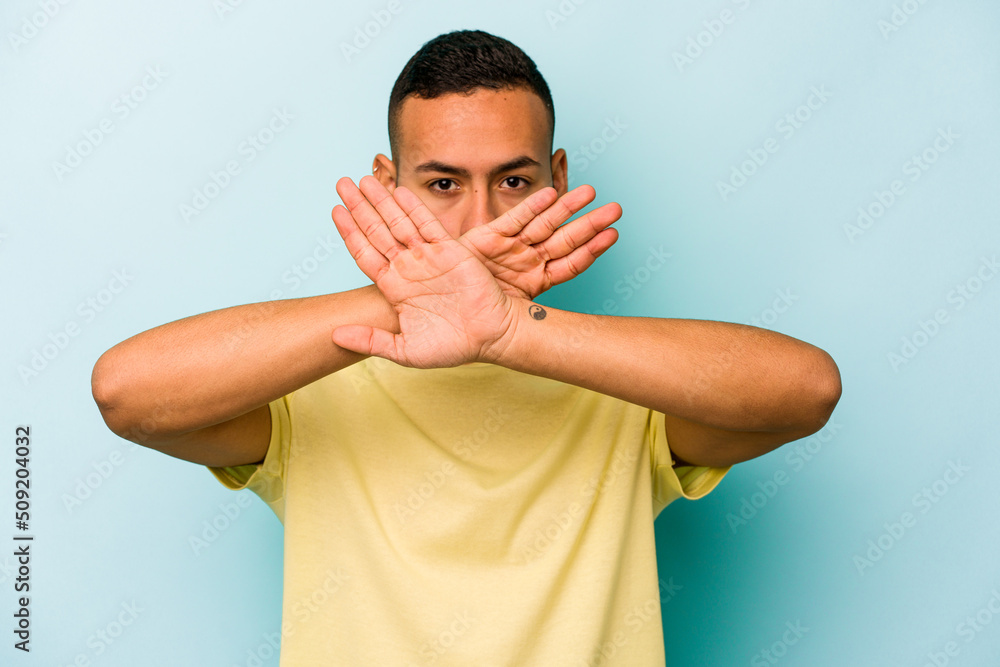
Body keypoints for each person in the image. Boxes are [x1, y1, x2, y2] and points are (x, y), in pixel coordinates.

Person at [91, 29, 841, 666]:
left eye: (513, 180)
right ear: (388, 185)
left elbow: (808, 389)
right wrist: (406, 297)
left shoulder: (626, 385)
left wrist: (511, 330)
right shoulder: (310, 380)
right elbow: (125, 392)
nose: (479, 220)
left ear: (557, 179)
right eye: (443, 182)